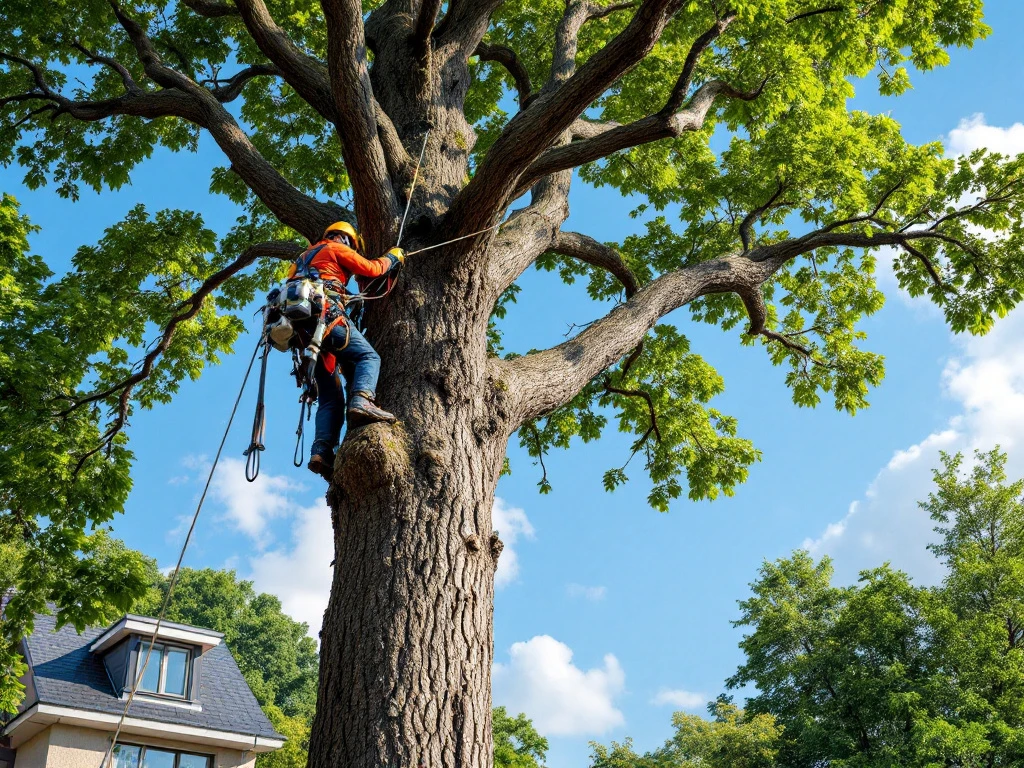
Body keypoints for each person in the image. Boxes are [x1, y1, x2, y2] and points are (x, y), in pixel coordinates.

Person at [302, 221, 403, 480]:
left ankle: (321, 451)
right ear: (346, 239)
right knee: (368, 356)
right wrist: (393, 256)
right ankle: (362, 401)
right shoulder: (336, 247)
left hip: (304, 333)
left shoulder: (303, 258)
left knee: (330, 397)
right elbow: (373, 269)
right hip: (326, 318)